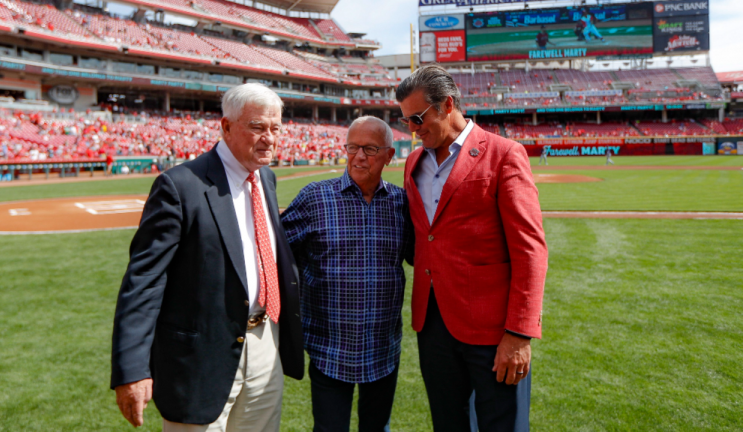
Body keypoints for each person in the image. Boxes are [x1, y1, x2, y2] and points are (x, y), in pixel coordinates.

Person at [110, 84, 303, 431]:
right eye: (258, 127)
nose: (270, 138)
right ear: (226, 127)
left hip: (264, 345)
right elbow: (144, 283)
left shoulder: (266, 179)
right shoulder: (179, 186)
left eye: (276, 128)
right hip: (200, 358)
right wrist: (132, 369)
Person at [396, 65, 548, 432]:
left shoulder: (504, 154)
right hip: (432, 324)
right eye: (406, 122)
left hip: (494, 331)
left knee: (503, 425)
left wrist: (519, 333)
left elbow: (530, 250)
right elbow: (424, 239)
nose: (413, 130)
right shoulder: (414, 163)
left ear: (447, 105)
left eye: (417, 118)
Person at [281, 116, 414, 432]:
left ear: (389, 155)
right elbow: (277, 252)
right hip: (329, 349)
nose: (359, 157)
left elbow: (421, 256)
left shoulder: (401, 203)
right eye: (353, 147)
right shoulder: (315, 198)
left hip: (382, 348)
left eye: (369, 149)